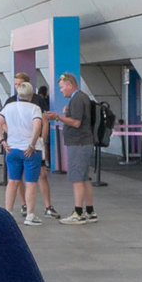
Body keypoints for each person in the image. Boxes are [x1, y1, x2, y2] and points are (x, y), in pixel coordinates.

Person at [45, 72, 97, 225]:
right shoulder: (80, 98)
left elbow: (76, 123)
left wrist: (58, 117)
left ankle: (78, 213)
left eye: (62, 87)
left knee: (76, 178)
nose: (61, 90)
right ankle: (90, 210)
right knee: (83, 177)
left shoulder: (78, 99)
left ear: (69, 85)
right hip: (83, 142)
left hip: (79, 143)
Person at [4, 72, 59, 219]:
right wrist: (12, 135)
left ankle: (48, 206)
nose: (17, 87)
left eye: (20, 84)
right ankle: (25, 205)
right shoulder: (10, 102)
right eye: (15, 84)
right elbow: (2, 122)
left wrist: (42, 140)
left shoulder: (37, 101)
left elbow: (44, 121)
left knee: (41, 175)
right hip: (18, 145)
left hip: (35, 144)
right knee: (18, 178)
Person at [0, 82, 48, 226]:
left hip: (12, 149)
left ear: (18, 94)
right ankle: (30, 215)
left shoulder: (9, 107)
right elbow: (38, 125)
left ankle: (9, 212)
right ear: (31, 95)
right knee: (30, 183)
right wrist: (32, 143)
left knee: (12, 181)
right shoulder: (35, 108)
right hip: (30, 150)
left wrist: (2, 141)